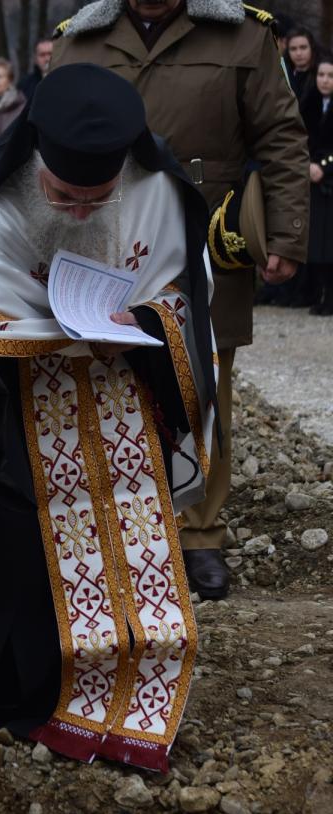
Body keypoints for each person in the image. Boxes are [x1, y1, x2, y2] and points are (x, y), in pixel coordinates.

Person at [0, 64, 218, 772]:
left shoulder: (159, 195)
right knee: (16, 529)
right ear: (37, 164)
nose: (81, 210)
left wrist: (141, 318)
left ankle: (126, 694)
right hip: (21, 391)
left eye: (98, 196)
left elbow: (186, 292)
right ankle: (23, 700)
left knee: (130, 537)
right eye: (64, 195)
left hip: (124, 386)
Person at [50, 0, 310, 600]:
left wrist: (288, 235)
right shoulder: (79, 40)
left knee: (204, 385)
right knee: (105, 382)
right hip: (105, 240)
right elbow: (45, 142)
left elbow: (281, 137)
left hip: (205, 241)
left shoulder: (243, 36)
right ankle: (117, 528)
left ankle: (199, 536)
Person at [302, 54, 333, 316]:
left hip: (329, 180)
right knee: (318, 242)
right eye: (322, 75)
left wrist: (324, 165)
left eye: (330, 76)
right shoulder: (309, 103)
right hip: (310, 177)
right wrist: (309, 164)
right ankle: (319, 292)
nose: (325, 80)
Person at [286, 27, 319, 105]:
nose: (298, 53)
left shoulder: (322, 76)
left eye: (303, 47)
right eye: (293, 49)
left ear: (312, 48)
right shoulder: (283, 75)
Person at [17, 37, 53, 101]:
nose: (47, 59)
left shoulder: (68, 81)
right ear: (35, 59)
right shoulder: (25, 85)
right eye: (42, 55)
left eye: (50, 54)